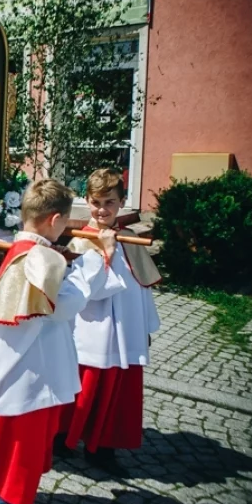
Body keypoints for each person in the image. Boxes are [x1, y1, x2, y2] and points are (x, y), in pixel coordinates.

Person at [0, 179, 114, 504]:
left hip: (12, 363)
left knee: (9, 437)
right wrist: (99, 259)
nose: (67, 229)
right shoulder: (42, 258)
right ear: (53, 219)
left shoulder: (20, 248)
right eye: (65, 222)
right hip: (32, 373)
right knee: (26, 446)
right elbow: (66, 305)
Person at [59, 168, 161, 474]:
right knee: (82, 389)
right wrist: (105, 252)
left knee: (116, 394)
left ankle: (102, 449)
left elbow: (140, 288)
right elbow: (85, 292)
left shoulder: (130, 239)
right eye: (96, 202)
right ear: (87, 201)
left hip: (125, 330)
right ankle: (63, 439)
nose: (102, 209)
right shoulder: (78, 242)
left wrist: (145, 327)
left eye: (110, 203)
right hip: (90, 332)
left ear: (122, 203)